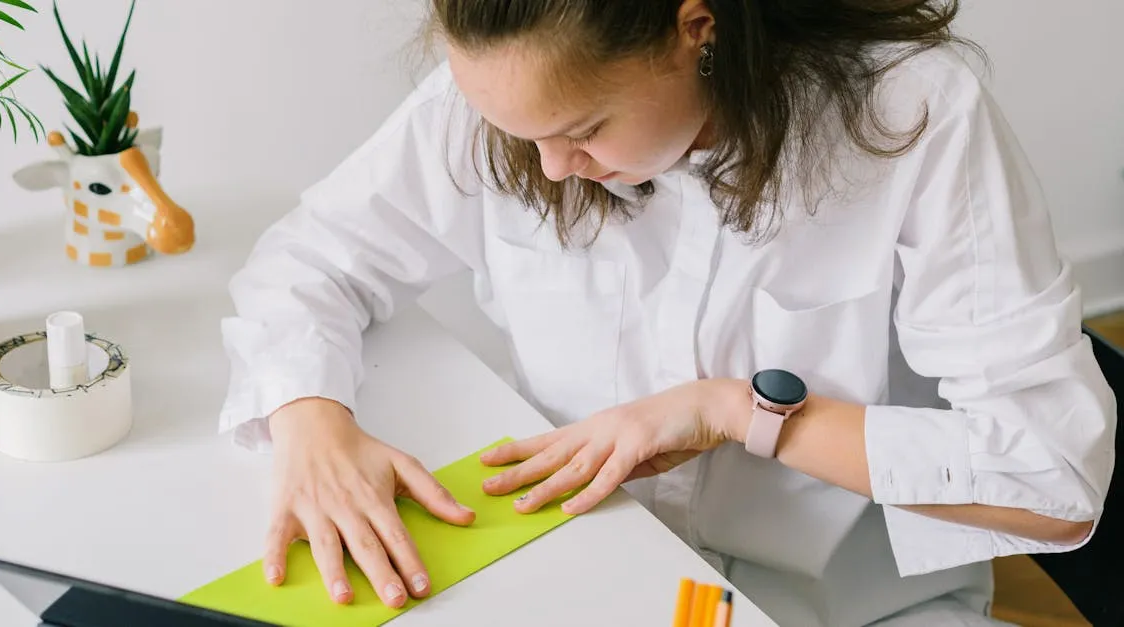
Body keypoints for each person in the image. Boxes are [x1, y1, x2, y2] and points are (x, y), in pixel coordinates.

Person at [217, 1, 1117, 625]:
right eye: (523, 136)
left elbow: (1050, 476)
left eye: (583, 129)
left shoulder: (915, 115)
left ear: (697, 29)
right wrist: (309, 424)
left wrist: (736, 413)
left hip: (843, 606)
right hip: (590, 573)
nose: (554, 168)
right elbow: (307, 259)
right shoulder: (507, 101)